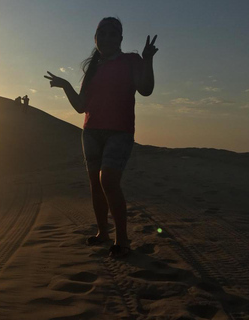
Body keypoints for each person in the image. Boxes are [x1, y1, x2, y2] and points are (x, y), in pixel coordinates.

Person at [44, 17, 158, 258]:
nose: (106, 38)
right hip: (91, 132)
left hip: (120, 132)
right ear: (96, 39)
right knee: (95, 185)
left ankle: (122, 239)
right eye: (101, 34)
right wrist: (65, 85)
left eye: (112, 34)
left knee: (108, 181)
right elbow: (80, 106)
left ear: (120, 39)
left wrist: (147, 60)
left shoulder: (131, 60)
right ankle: (103, 233)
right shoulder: (93, 68)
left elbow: (146, 89)